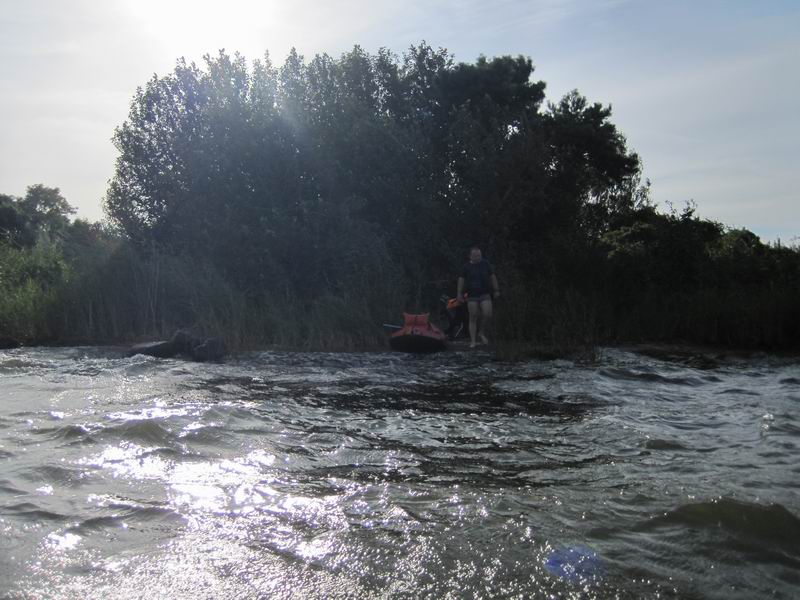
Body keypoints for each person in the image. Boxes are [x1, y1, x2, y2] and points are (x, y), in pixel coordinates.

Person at [456, 247, 500, 348]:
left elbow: (492, 276)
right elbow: (461, 280)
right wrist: (459, 294)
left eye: (479, 255)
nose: (478, 257)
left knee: (488, 314)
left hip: (485, 293)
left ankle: (481, 332)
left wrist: (496, 290)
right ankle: (473, 341)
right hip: (471, 295)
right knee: (473, 316)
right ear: (470, 256)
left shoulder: (486, 264)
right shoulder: (466, 267)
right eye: (475, 255)